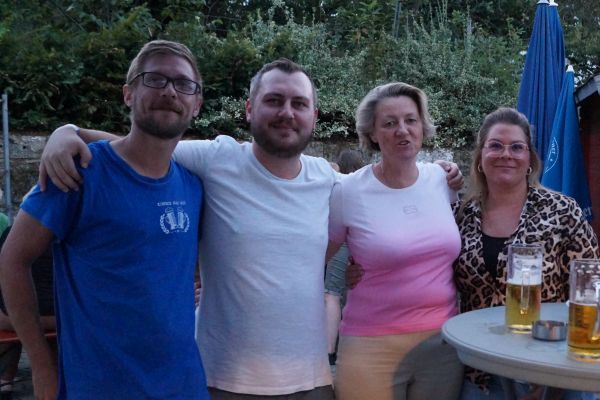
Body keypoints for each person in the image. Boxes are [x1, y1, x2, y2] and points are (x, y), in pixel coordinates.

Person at [37, 59, 464, 399]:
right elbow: (139, 147)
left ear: (314, 115)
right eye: (274, 100)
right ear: (248, 109)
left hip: (310, 379)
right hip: (224, 379)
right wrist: (68, 132)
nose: (286, 112)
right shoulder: (216, 159)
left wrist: (444, 176)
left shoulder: (328, 179)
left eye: (298, 103)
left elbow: (382, 206)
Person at [0, 40, 210, 400]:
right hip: (99, 386)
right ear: (128, 94)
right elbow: (12, 259)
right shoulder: (79, 170)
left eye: (183, 83)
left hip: (184, 385)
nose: (170, 91)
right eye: (154, 79)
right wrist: (42, 362)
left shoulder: (194, 185)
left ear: (197, 104)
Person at [327, 82, 464, 400]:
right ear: (373, 133)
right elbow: (317, 258)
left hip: (443, 344)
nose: (402, 130)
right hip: (370, 346)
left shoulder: (442, 180)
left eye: (410, 120)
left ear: (422, 126)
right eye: (389, 123)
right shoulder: (348, 191)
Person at [454, 107, 599, 400]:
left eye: (517, 147)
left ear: (529, 159)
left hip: (553, 366)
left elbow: (591, 287)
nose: (506, 154)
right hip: (481, 369)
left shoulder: (562, 210)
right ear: (480, 157)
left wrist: (552, 377)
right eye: (496, 145)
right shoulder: (461, 214)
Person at [324, 149, 364, 366]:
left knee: (332, 293)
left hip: (340, 242)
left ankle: (328, 350)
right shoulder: (366, 183)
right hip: (363, 241)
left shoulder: (338, 183)